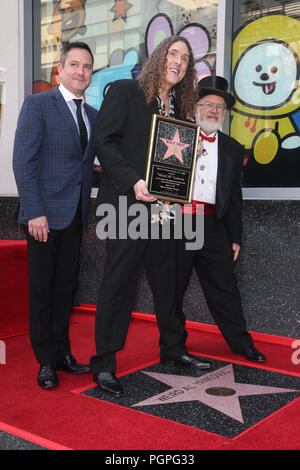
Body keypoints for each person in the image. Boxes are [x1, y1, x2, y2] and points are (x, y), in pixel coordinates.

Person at [90, 36, 212, 397]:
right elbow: (103, 140)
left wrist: (194, 151)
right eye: (173, 53)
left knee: (168, 281)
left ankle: (174, 349)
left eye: (185, 58)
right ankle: (104, 364)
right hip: (126, 206)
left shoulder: (177, 107)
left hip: (165, 210)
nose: (178, 61)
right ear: (159, 57)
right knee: (120, 284)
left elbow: (171, 160)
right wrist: (133, 182)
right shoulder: (127, 91)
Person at [13, 41, 98, 389]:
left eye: (87, 66)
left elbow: (90, 163)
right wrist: (34, 211)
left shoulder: (92, 115)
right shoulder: (38, 105)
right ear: (61, 69)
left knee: (66, 289)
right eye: (75, 64)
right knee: (43, 291)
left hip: (75, 216)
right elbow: (24, 161)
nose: (81, 71)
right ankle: (45, 360)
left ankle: (63, 353)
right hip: (43, 217)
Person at [176, 75, 266, 363]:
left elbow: (234, 197)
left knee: (225, 287)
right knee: (172, 287)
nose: (214, 110)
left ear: (224, 113)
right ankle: (174, 347)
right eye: (208, 104)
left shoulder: (233, 148)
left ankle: (241, 342)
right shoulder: (178, 138)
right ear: (195, 107)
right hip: (178, 224)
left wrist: (235, 237)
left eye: (219, 106)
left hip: (214, 226)